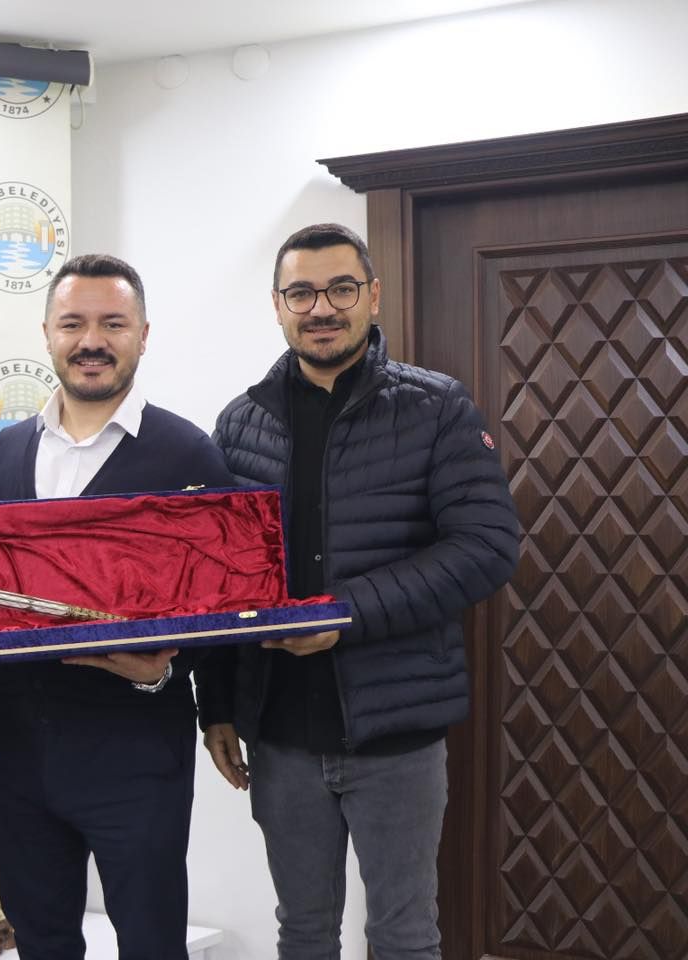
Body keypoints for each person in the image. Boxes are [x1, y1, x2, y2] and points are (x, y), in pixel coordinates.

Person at [198, 223, 519, 960]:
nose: (322, 308)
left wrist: (345, 614)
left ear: (372, 296)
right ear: (277, 305)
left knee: (403, 936)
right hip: (280, 733)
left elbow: (486, 547)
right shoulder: (240, 424)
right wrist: (214, 704)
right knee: (303, 932)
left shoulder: (435, 408)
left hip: (396, 734)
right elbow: (217, 577)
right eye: (301, 293)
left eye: (341, 289)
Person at [0, 254, 235, 960]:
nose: (92, 341)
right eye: (73, 323)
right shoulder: (10, 450)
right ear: (48, 332)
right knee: (41, 939)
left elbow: (223, 603)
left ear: (143, 334)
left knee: (150, 942)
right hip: (22, 750)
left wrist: (179, 685)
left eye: (113, 323)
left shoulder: (189, 455)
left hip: (137, 751)